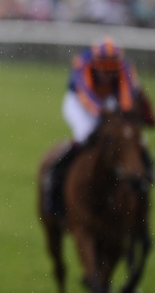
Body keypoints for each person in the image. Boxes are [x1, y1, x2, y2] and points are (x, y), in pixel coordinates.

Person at [47, 36, 155, 215]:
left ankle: (146, 172)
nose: (108, 75)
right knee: (86, 133)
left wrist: (121, 117)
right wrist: (104, 115)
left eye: (112, 71)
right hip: (79, 102)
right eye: (104, 70)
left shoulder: (127, 69)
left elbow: (126, 99)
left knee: (135, 138)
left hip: (109, 101)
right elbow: (87, 98)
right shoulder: (82, 65)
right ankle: (56, 174)